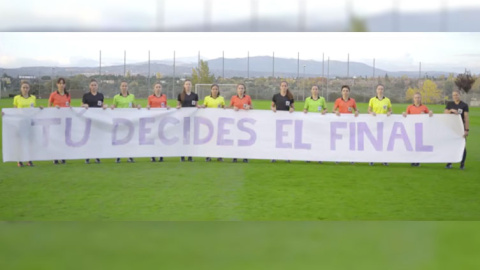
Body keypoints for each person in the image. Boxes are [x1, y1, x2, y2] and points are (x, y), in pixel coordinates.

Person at [111, 80, 140, 163]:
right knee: (119, 139)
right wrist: (112, 106)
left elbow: (134, 107)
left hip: (130, 121)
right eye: (122, 86)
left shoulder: (132, 96)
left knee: (130, 139)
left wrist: (137, 106)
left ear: (127, 87)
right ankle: (118, 156)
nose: (124, 87)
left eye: (125, 86)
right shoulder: (116, 97)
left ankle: (130, 156)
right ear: (120, 87)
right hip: (120, 121)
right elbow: (114, 106)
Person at [402, 92, 433, 167]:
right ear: (413, 99)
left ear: (420, 98)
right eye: (416, 97)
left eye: (418, 97)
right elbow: (406, 116)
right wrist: (404, 114)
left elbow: (429, 116)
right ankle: (413, 160)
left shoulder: (424, 107)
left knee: (419, 145)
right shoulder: (409, 107)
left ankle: (418, 160)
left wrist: (429, 113)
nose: (417, 99)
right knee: (412, 144)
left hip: (421, 129)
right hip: (412, 128)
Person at [13, 81, 39, 167]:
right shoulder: (17, 98)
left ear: (29, 88)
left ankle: (29, 160)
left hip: (29, 123)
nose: (25, 89)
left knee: (30, 142)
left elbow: (33, 110)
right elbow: (14, 111)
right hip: (20, 123)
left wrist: (40, 109)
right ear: (21, 88)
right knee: (20, 142)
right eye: (23, 87)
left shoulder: (33, 98)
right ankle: (19, 161)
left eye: (27, 87)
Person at [82, 79, 106, 164]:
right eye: (92, 85)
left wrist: (104, 106)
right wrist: (84, 105)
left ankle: (97, 156)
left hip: (98, 121)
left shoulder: (100, 95)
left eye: (95, 85)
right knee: (89, 139)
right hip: (89, 121)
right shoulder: (86, 95)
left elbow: (102, 105)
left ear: (97, 86)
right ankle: (87, 157)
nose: (93, 86)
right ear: (89, 86)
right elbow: (82, 105)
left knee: (97, 139)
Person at [367, 84, 392, 166]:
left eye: (382, 89)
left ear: (383, 90)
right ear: (376, 90)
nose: (380, 90)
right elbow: (369, 110)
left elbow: (390, 110)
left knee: (384, 142)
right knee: (374, 142)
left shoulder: (387, 100)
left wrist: (389, 112)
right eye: (379, 89)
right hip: (374, 124)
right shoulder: (372, 100)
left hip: (384, 124)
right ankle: (372, 159)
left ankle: (384, 159)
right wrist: (371, 113)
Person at [444, 90, 469, 170]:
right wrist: (451, 110)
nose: (455, 96)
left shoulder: (464, 105)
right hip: (451, 128)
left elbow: (466, 118)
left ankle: (462, 164)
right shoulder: (450, 104)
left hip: (460, 128)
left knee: (462, 146)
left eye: (457, 95)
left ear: (460, 95)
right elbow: (445, 113)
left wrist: (466, 129)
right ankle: (449, 163)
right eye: (454, 95)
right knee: (451, 145)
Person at [49, 77, 71, 165]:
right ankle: (55, 157)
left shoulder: (67, 95)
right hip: (56, 120)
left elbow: (69, 106)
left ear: (65, 85)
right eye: (60, 83)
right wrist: (54, 108)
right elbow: (49, 107)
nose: (61, 85)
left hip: (65, 121)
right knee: (56, 139)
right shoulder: (53, 95)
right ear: (57, 84)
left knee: (64, 139)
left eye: (63, 83)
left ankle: (62, 157)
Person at [201, 84, 225, 162]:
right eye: (213, 89)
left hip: (218, 122)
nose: (215, 90)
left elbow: (224, 108)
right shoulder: (207, 98)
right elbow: (204, 105)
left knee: (218, 139)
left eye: (216, 89)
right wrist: (201, 106)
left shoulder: (221, 99)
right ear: (211, 90)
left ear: (218, 90)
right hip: (209, 122)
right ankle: (208, 155)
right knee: (209, 139)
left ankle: (219, 155)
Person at [229, 83, 252, 163]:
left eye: (242, 88)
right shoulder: (233, 98)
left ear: (244, 90)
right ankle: (235, 156)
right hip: (235, 121)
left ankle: (245, 156)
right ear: (237, 89)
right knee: (235, 138)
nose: (241, 90)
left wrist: (249, 107)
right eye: (239, 88)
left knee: (244, 139)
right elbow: (229, 107)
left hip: (245, 122)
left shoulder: (248, 97)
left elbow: (251, 107)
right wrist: (233, 108)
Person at [271, 81, 294, 163]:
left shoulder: (290, 97)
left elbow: (292, 107)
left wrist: (292, 109)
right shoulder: (276, 96)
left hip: (287, 122)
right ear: (280, 87)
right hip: (277, 121)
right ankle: (274, 156)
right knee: (277, 139)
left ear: (287, 87)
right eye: (282, 86)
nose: (284, 87)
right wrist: (272, 108)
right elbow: (272, 105)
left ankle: (287, 157)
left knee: (286, 139)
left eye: (285, 86)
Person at [147, 82, 170, 162]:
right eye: (156, 87)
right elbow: (148, 106)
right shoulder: (150, 97)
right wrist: (148, 107)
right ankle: (152, 156)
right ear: (154, 88)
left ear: (161, 88)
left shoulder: (164, 97)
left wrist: (168, 107)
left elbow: (165, 106)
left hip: (162, 121)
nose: (158, 88)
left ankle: (161, 155)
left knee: (161, 138)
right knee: (153, 138)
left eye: (159, 87)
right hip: (153, 121)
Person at [176, 80, 198, 162]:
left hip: (192, 119)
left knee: (191, 137)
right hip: (183, 119)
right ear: (184, 85)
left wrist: (200, 107)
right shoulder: (180, 95)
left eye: (189, 84)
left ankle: (190, 155)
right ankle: (182, 155)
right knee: (183, 137)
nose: (188, 85)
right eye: (186, 84)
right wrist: (178, 106)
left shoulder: (194, 95)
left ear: (191, 85)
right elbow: (178, 105)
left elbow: (196, 105)